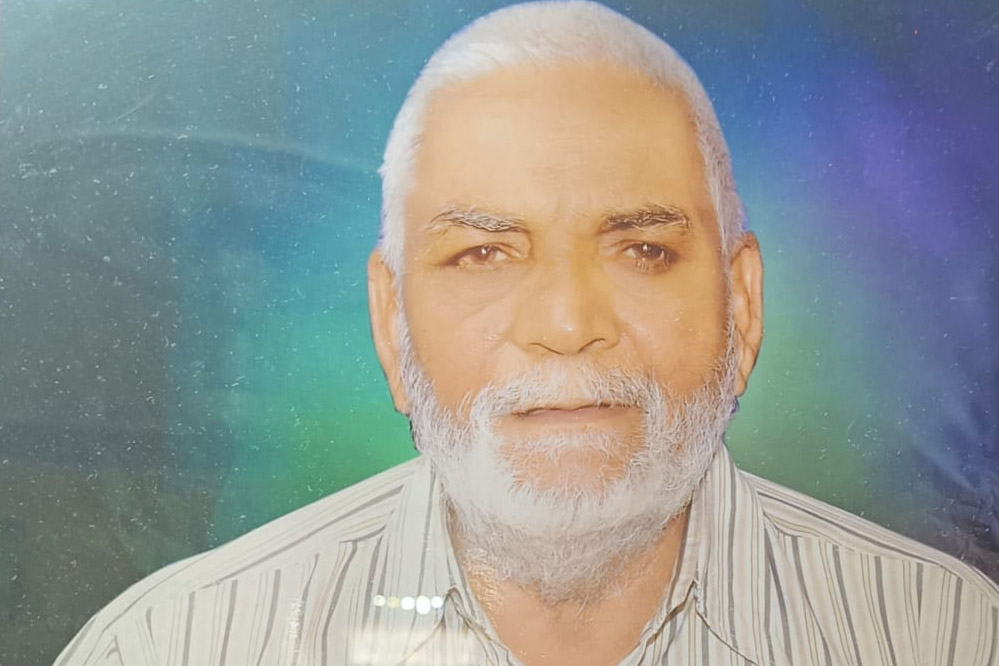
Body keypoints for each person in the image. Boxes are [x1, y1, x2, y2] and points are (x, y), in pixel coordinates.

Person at [54, 2, 999, 665]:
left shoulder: (949, 639)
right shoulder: (167, 647)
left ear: (742, 307)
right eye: (483, 254)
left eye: (640, 249)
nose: (566, 325)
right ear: (390, 322)